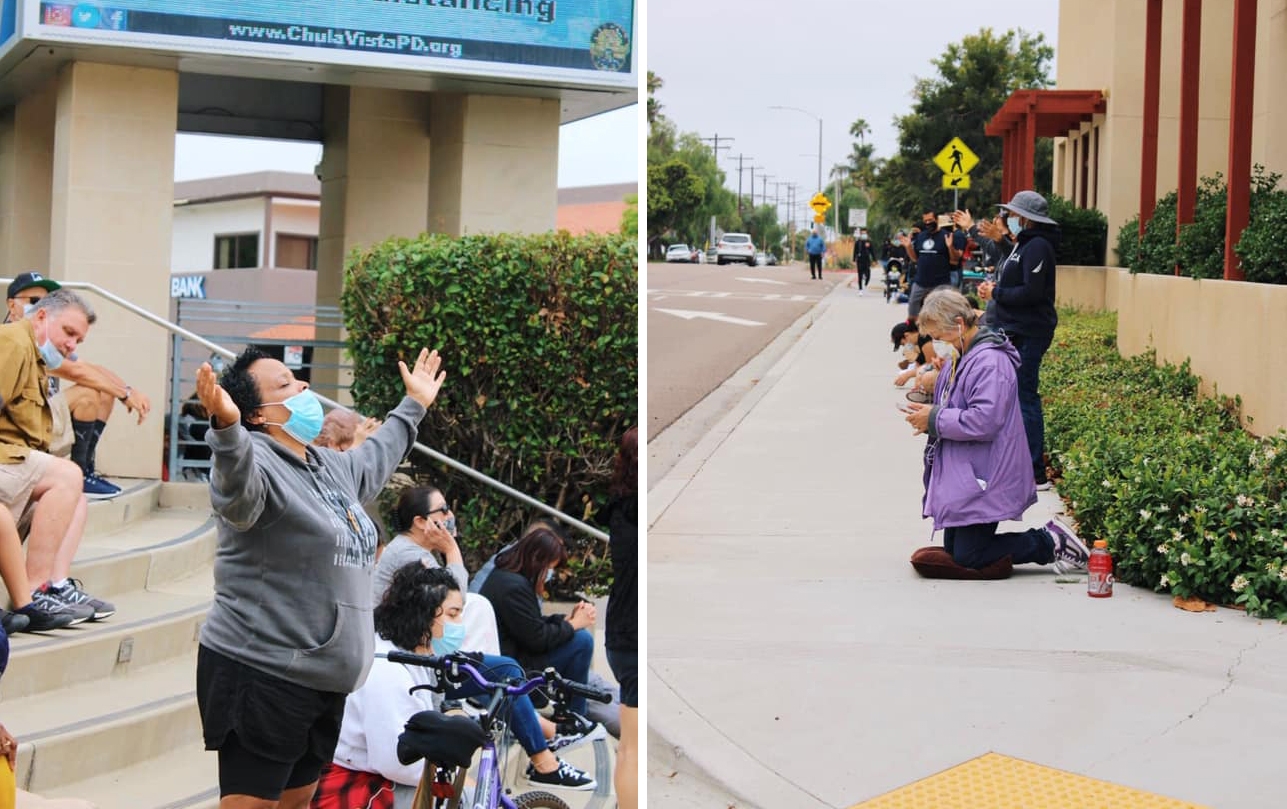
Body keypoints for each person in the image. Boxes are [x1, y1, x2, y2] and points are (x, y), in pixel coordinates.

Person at [193, 344, 446, 809]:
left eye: (297, 379)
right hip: (264, 670)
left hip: (325, 681)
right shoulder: (252, 461)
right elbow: (237, 498)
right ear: (255, 414)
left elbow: (378, 456)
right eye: (285, 385)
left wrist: (414, 405)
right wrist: (227, 430)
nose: (304, 386)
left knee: (298, 803)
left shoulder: (327, 467)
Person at [310, 564, 596, 807]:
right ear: (423, 616)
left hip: (380, 768)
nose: (460, 624)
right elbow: (394, 762)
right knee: (469, 795)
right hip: (364, 783)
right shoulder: (388, 673)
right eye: (452, 614)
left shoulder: (417, 655)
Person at [901, 288, 1088, 573]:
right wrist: (928, 408)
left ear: (959, 325)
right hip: (969, 470)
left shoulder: (990, 361)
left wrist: (934, 418)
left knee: (969, 555)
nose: (937, 344)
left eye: (939, 336)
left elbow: (984, 420)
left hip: (986, 473)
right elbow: (957, 404)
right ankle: (1043, 543)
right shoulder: (962, 355)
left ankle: (1050, 541)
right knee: (957, 549)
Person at [0, 289, 114, 626]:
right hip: (6, 458)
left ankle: (54, 585)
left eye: (78, 339)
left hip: (14, 460)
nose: (72, 345)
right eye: (68, 332)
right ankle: (35, 592)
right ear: (40, 317)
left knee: (74, 498)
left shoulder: (33, 354)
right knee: (66, 476)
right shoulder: (13, 343)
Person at [5, 274, 152, 500]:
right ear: (12, 304)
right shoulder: (15, 339)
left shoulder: (45, 342)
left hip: (40, 417)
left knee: (102, 392)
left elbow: (90, 368)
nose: (41, 306)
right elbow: (76, 372)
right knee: (89, 393)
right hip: (21, 432)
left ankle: (85, 469)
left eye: (48, 299)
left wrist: (127, 389)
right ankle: (79, 473)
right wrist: (125, 394)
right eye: (35, 301)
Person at [964, 191, 1061, 489]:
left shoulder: (1039, 247)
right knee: (1010, 396)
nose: (1009, 219)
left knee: (1025, 396)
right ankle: (1014, 462)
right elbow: (1013, 281)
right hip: (1013, 328)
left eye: (1014, 215)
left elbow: (1032, 293)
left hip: (1030, 332)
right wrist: (993, 291)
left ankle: (1035, 472)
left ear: (1027, 219)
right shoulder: (1023, 246)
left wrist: (997, 294)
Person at [477, 523, 601, 724]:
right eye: (548, 568)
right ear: (537, 561)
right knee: (582, 641)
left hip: (514, 656)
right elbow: (537, 640)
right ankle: (575, 717)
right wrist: (573, 626)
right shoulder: (513, 587)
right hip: (514, 667)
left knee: (578, 638)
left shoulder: (507, 576)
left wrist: (566, 621)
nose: (547, 574)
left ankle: (571, 713)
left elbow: (529, 624)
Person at [372, 485, 500, 655]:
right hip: (396, 646)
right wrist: (451, 550)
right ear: (420, 521)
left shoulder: (413, 548)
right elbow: (455, 598)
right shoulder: (408, 554)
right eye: (444, 510)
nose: (451, 516)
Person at [603, 427, 637, 809]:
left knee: (630, 747)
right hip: (633, 634)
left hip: (620, 633)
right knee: (633, 748)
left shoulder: (618, 506)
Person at [898, 208, 967, 322]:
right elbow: (915, 259)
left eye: (930, 220)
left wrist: (950, 247)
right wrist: (908, 247)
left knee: (942, 314)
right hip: (921, 281)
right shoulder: (921, 236)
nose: (928, 223)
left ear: (936, 219)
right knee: (913, 310)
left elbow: (954, 260)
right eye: (925, 221)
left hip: (941, 282)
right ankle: (915, 333)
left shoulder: (947, 236)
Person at [853, 231, 873, 295]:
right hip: (860, 260)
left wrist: (875, 259)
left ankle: (866, 283)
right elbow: (855, 251)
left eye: (865, 234)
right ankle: (860, 289)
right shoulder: (858, 242)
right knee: (860, 275)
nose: (864, 235)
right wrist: (853, 259)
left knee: (868, 273)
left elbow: (872, 251)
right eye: (862, 234)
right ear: (861, 235)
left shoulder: (869, 242)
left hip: (867, 260)